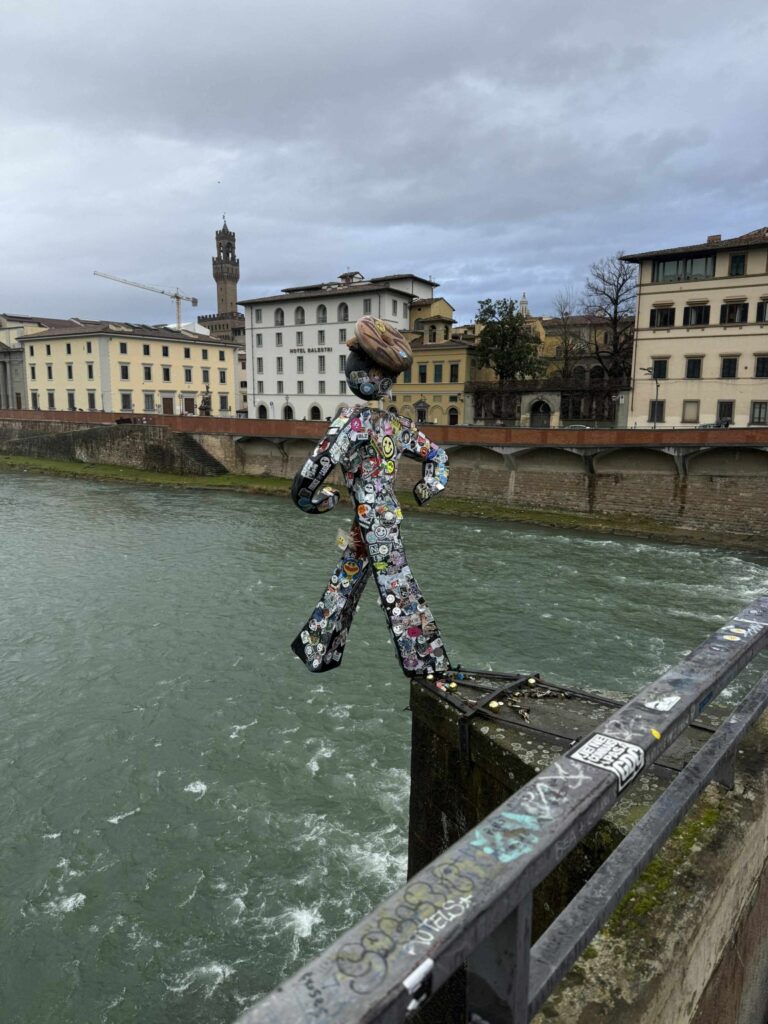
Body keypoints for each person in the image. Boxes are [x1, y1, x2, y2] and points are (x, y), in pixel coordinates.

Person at [291, 315, 450, 677]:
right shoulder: (397, 425)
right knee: (375, 581)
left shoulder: (350, 424)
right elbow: (438, 457)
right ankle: (323, 648)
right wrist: (427, 488)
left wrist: (320, 502)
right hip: (379, 520)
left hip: (371, 520)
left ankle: (322, 647)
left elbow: (307, 481)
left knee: (380, 583)